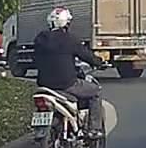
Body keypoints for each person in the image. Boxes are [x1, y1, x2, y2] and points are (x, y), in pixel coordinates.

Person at [33, 7, 106, 137]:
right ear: (66, 23)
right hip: (67, 84)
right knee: (96, 92)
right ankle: (94, 129)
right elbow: (86, 55)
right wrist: (99, 62)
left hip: (44, 85)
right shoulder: (69, 39)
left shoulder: (40, 39)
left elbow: (36, 60)